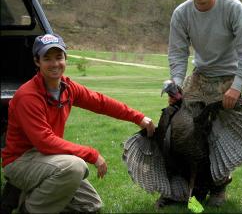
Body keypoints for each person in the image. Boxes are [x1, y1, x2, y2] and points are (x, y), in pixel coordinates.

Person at [0, 34, 155, 213]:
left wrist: (138, 118)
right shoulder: (28, 96)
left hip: (47, 158)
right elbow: (44, 141)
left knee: (90, 205)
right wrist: (91, 154)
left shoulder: (67, 88)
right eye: (47, 58)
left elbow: (101, 102)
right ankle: (29, 208)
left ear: (65, 58)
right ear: (37, 61)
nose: (55, 64)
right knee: (75, 167)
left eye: (59, 57)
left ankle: (23, 194)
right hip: (21, 161)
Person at [167, 0, 242, 207]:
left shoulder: (233, 8)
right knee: (181, 130)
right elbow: (177, 52)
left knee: (220, 136)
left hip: (229, 77)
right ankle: (185, 186)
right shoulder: (182, 13)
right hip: (200, 75)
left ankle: (218, 187)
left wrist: (236, 86)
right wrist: (176, 84)